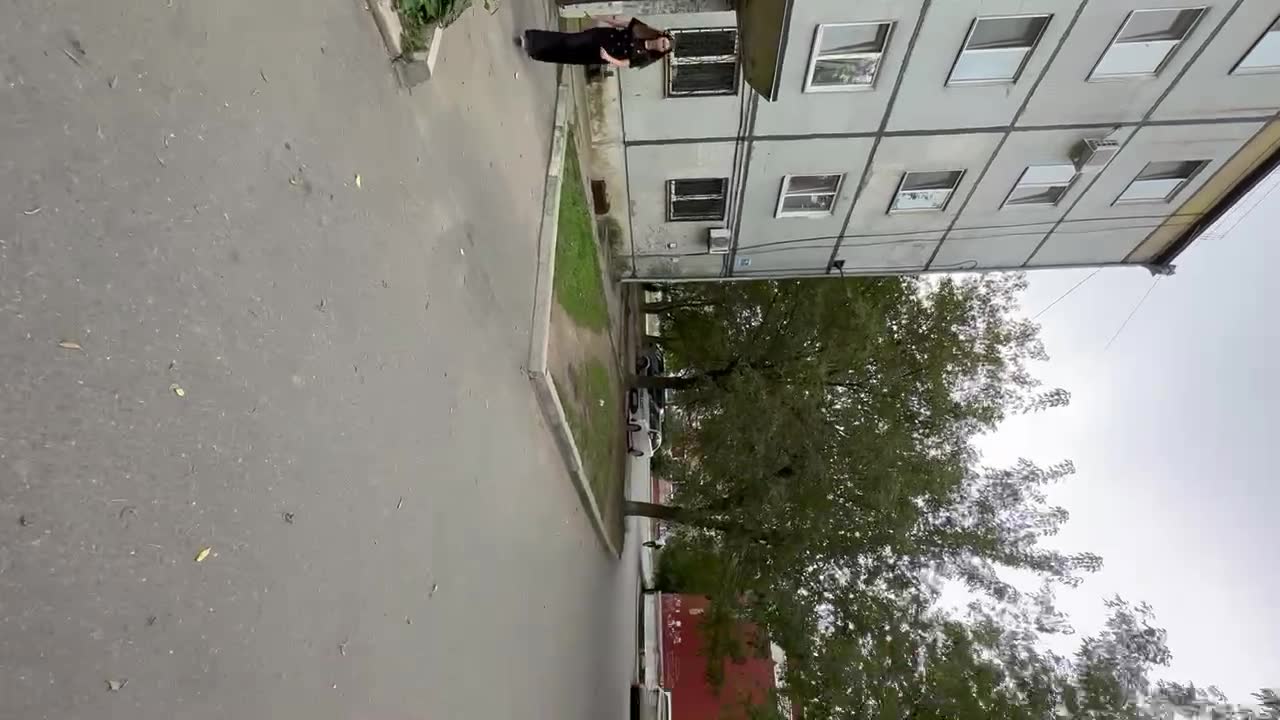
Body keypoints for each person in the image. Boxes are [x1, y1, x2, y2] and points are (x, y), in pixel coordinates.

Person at [520, 17, 674, 69]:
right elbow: (621, 23)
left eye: (664, 47)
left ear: (661, 52)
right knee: (569, 41)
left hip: (602, 54)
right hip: (600, 36)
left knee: (570, 56)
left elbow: (624, 63)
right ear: (660, 36)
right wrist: (603, 17)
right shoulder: (643, 29)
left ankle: (536, 53)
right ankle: (531, 39)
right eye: (664, 42)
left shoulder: (645, 57)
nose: (662, 45)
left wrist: (608, 58)